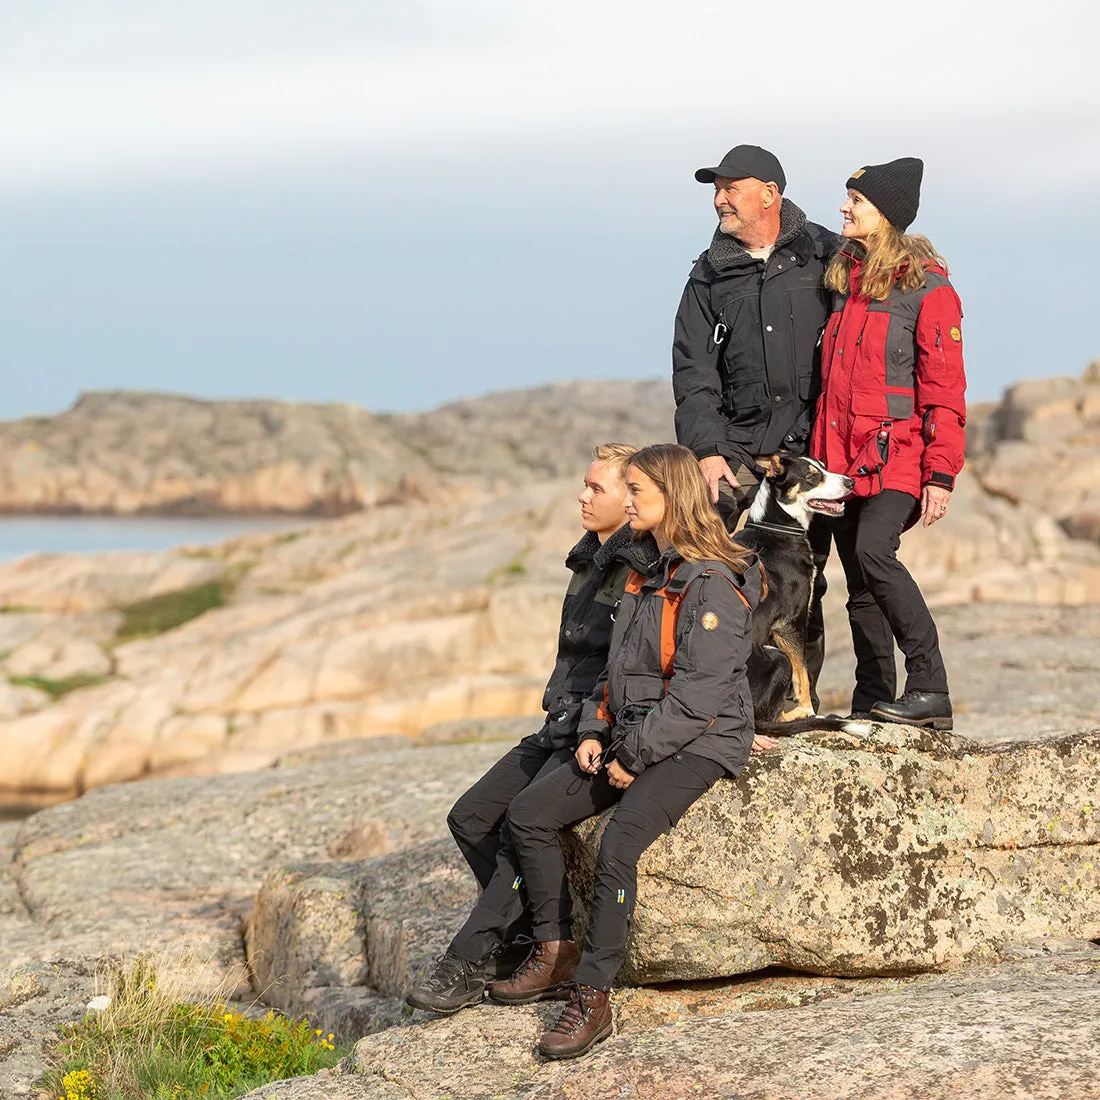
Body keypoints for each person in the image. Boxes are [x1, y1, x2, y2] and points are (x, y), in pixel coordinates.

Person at [485, 443, 762, 1060]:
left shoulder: (712, 584)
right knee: (529, 814)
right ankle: (556, 950)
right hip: (634, 728)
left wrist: (631, 758)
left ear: (673, 498)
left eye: (636, 491)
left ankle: (592, 997)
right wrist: (593, 727)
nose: (626, 500)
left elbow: (697, 700)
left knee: (618, 841)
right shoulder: (645, 570)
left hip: (701, 740)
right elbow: (614, 671)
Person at [406, 443, 661, 1014]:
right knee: (469, 816)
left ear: (632, 499)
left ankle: (474, 955)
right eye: (585, 484)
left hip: (598, 732)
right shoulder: (589, 556)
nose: (583, 495)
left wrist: (598, 728)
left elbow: (628, 666)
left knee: (523, 825)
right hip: (559, 723)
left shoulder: (639, 567)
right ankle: (521, 929)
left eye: (598, 488)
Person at [671, 143, 837, 700]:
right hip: (739, 453)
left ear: (769, 194)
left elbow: (890, 304)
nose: (719, 200)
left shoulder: (826, 253)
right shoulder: (709, 273)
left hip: (820, 449)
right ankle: (714, 703)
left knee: (809, 588)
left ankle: (805, 705)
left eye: (730, 188)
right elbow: (693, 371)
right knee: (711, 578)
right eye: (716, 190)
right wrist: (708, 451)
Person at [809, 157, 966, 728]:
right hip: (840, 460)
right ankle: (874, 700)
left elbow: (946, 390)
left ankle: (930, 685)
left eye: (857, 201)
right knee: (858, 582)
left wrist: (941, 474)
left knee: (876, 552)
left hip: (900, 457)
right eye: (848, 198)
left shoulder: (929, 290)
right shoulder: (842, 282)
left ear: (887, 217)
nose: (845, 208)